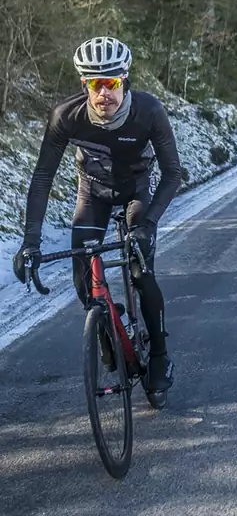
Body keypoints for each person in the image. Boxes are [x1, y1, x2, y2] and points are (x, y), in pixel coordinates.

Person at [12, 37, 181, 390]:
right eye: (94, 84)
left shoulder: (148, 111)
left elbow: (173, 173)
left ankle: (160, 355)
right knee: (85, 285)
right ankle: (107, 324)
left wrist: (148, 225)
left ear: (125, 79)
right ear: (84, 85)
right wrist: (30, 242)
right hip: (94, 193)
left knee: (140, 270)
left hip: (137, 191)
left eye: (111, 83)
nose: (103, 93)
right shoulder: (66, 117)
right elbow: (43, 177)